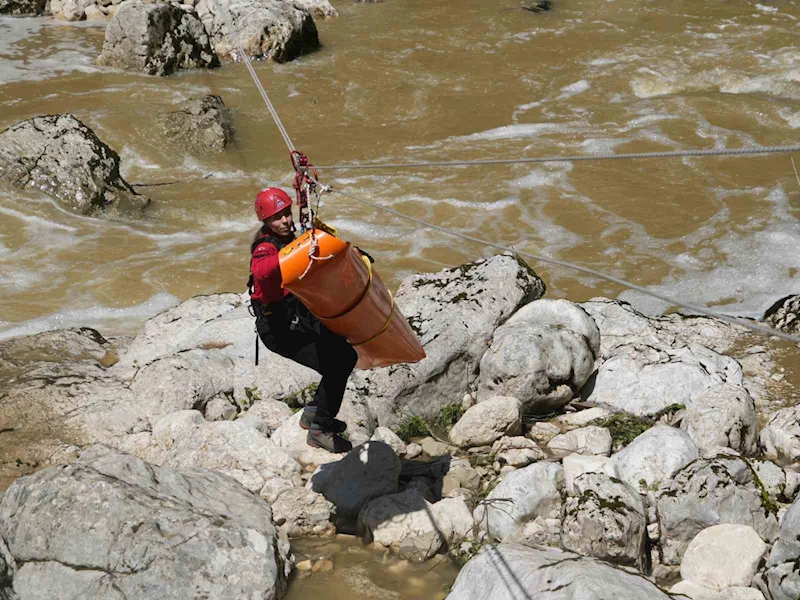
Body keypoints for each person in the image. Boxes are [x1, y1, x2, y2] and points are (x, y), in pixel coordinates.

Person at [248, 187, 357, 453]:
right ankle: (319, 427)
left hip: (296, 318)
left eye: (287, 213)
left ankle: (314, 413)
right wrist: (298, 250)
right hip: (279, 330)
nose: (285, 221)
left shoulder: (285, 238)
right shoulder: (265, 248)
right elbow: (261, 271)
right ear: (265, 222)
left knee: (345, 354)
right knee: (338, 363)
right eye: (277, 217)